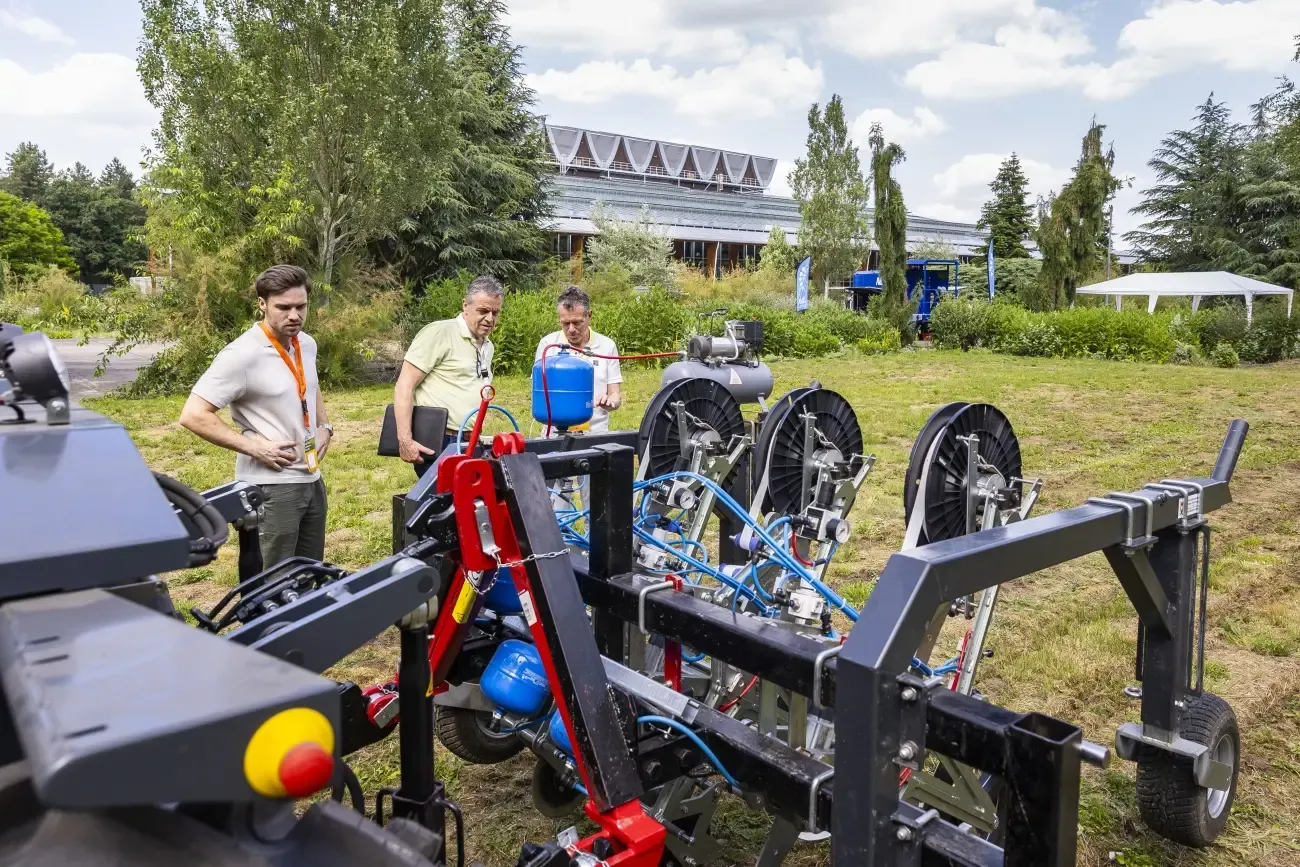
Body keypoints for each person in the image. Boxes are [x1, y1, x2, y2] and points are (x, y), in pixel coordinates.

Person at [180, 264, 333, 568]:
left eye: (301, 306)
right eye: (283, 307)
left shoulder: (306, 344)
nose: (294, 315)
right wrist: (254, 448)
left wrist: (324, 425)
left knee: (308, 571)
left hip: (311, 478)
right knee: (273, 577)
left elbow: (310, 388)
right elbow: (193, 415)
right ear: (262, 304)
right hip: (272, 486)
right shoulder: (242, 355)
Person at [395, 275, 503, 476]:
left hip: (470, 441)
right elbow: (404, 385)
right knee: (444, 503)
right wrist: (405, 440)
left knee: (468, 503)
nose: (490, 318)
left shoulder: (488, 346)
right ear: (465, 306)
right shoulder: (440, 333)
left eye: (495, 312)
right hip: (439, 440)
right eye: (483, 311)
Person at [534, 285, 622, 435]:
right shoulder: (548, 345)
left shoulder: (607, 346)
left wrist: (610, 402)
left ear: (589, 316)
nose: (571, 329)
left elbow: (616, 396)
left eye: (577, 322)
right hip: (555, 435)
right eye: (565, 323)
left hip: (595, 435)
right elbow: (539, 393)